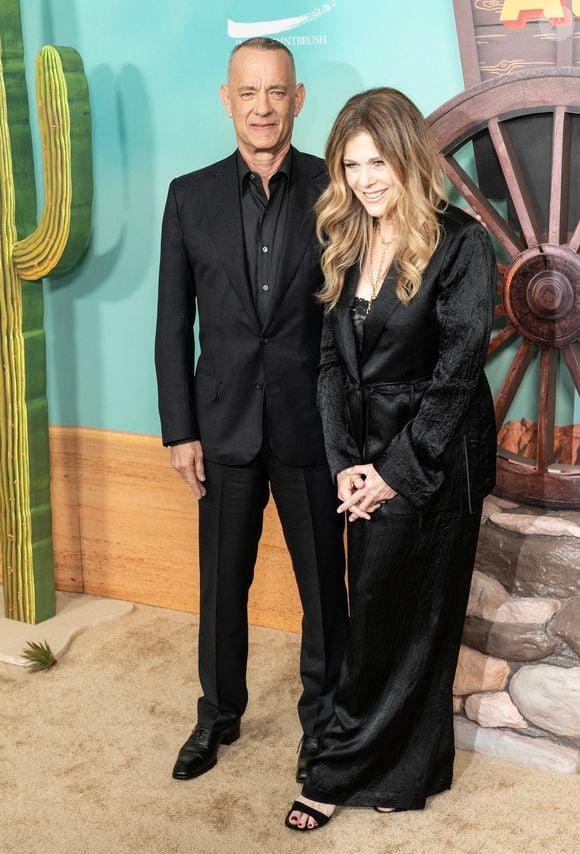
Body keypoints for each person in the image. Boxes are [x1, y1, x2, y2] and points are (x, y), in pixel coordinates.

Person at [285, 87, 497, 831]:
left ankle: (351, 770)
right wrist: (347, 460)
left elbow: (457, 376)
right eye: (351, 163)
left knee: (417, 622)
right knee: (375, 614)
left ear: (407, 158)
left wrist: (391, 473)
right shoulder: (343, 239)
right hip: (365, 459)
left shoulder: (462, 243)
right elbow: (328, 367)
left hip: (434, 460)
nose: (365, 178)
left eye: (377, 160)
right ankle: (382, 767)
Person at [155, 38, 348, 784]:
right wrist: (181, 429)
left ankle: (323, 723)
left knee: (322, 589)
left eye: (277, 93)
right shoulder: (188, 194)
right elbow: (174, 323)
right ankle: (218, 715)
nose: (262, 107)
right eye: (249, 93)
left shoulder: (337, 189)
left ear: (297, 99)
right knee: (220, 587)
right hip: (223, 427)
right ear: (226, 100)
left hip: (311, 429)